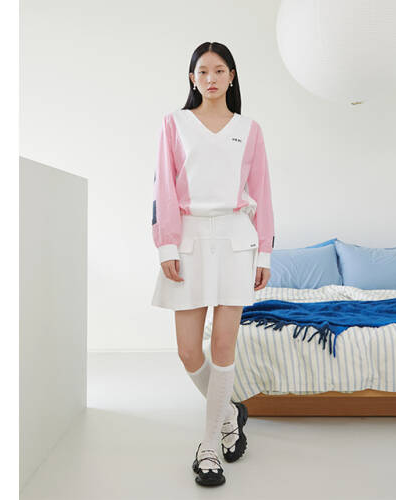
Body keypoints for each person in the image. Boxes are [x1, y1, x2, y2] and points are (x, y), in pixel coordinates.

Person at [150, 41, 275, 487]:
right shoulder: (175, 123)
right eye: (202, 71)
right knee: (189, 351)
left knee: (223, 347)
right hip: (188, 239)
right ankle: (229, 414)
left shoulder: (249, 129)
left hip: (236, 240)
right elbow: (163, 188)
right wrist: (166, 245)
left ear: (231, 76)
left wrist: (264, 251)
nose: (211, 78)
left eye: (219, 70)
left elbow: (262, 191)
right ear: (192, 78)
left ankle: (209, 447)